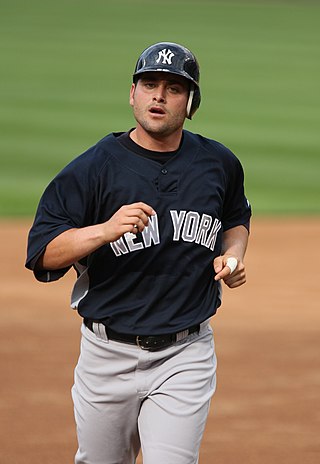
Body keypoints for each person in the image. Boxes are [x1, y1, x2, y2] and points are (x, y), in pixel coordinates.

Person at [26, 41, 251, 464]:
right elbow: (43, 252)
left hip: (185, 353)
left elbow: (235, 218)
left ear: (191, 102)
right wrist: (104, 230)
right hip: (105, 355)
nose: (159, 96)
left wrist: (233, 255)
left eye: (174, 88)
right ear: (133, 93)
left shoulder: (219, 163)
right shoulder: (93, 168)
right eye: (149, 84)